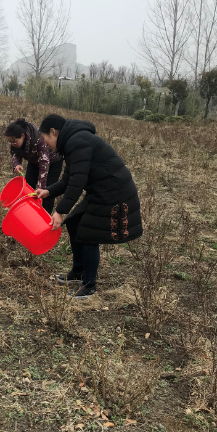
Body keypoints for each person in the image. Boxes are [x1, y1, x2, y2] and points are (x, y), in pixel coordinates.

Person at [36, 114, 142, 299]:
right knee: (74, 222)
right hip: (102, 190)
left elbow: (77, 182)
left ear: (53, 132)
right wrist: (48, 191)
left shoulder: (77, 141)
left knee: (88, 234)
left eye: (45, 139)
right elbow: (69, 179)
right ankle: (78, 271)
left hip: (114, 192)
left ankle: (89, 285)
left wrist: (60, 211)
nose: (46, 145)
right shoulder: (72, 142)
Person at [4, 118, 63, 214]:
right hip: (34, 161)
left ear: (22, 136)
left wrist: (41, 187)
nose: (13, 144)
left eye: (14, 142)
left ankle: (44, 216)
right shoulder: (15, 140)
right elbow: (15, 152)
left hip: (52, 162)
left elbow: (44, 162)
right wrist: (16, 164)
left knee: (47, 192)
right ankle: (27, 212)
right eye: (10, 142)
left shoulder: (38, 139)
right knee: (28, 186)